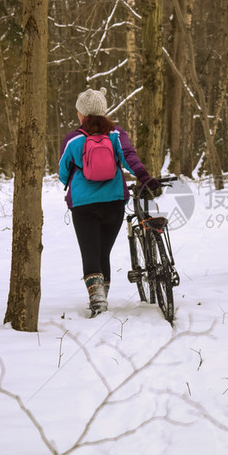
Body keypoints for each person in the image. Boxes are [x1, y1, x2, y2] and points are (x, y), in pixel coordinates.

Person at [58, 87, 160, 317]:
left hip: (83, 204)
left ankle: (98, 302)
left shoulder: (73, 139)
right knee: (103, 252)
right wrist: (144, 176)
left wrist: (73, 182)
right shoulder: (116, 134)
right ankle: (103, 295)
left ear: (81, 114)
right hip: (114, 201)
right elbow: (129, 158)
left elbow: (63, 171)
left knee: (90, 252)